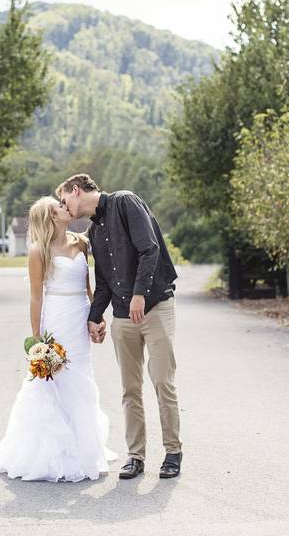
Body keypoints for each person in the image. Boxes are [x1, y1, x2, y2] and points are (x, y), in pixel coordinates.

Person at [0, 196, 115, 482]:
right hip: (56, 319)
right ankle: (51, 453)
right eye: (59, 207)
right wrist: (38, 339)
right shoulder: (39, 251)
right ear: (50, 217)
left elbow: (90, 288)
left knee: (81, 379)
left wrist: (96, 318)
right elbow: (36, 297)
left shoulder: (82, 244)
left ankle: (82, 448)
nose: (65, 207)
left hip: (79, 318)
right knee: (53, 381)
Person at [57, 174, 182, 480]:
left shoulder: (125, 202)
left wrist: (140, 293)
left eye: (64, 200)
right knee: (130, 389)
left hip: (155, 306)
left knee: (162, 381)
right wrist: (95, 317)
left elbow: (149, 250)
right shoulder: (94, 232)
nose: (64, 206)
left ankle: (173, 453)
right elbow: (103, 283)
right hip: (124, 317)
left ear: (77, 191)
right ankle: (136, 456)